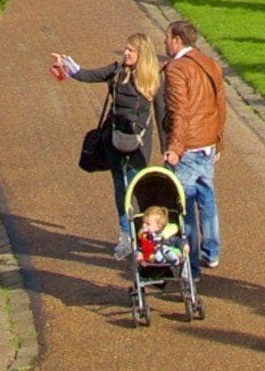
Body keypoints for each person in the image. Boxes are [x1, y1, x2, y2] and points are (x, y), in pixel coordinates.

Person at [48, 37, 161, 238]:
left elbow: (162, 114)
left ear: (142, 56)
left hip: (140, 143)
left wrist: (170, 148)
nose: (125, 53)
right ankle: (126, 233)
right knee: (120, 186)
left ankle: (144, 231)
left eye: (131, 51)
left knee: (136, 187)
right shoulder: (116, 71)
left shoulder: (154, 79)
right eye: (126, 49)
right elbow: (87, 75)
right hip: (114, 139)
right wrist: (67, 64)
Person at [157, 17, 225, 273]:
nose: (164, 42)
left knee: (183, 206)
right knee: (207, 198)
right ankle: (212, 251)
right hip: (208, 143)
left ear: (177, 40)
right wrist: (219, 142)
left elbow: (179, 112)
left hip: (188, 147)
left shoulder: (177, 69)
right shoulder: (211, 64)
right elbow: (221, 105)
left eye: (167, 37)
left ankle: (190, 265)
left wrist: (175, 148)